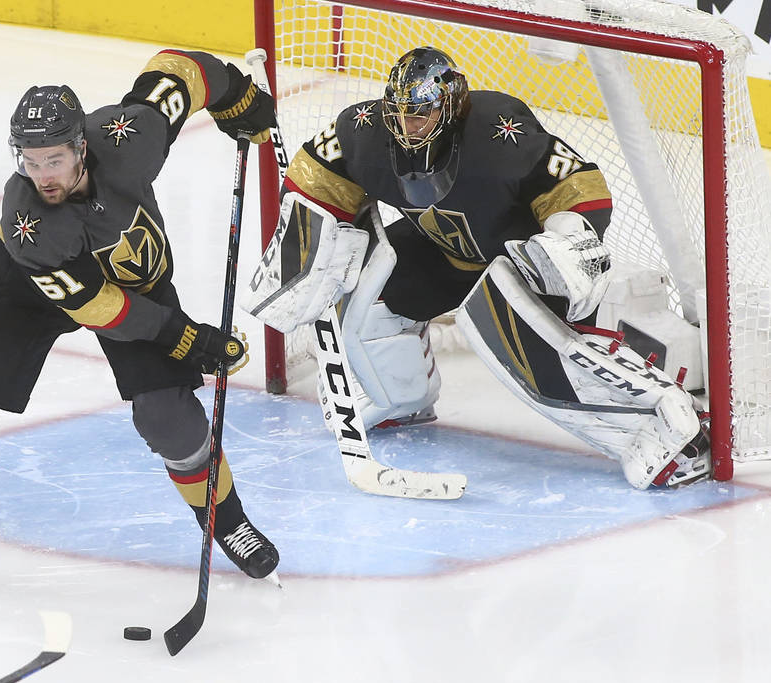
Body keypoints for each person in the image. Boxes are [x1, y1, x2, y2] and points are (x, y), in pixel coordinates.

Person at [0, 49, 280, 587]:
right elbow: (96, 307)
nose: (43, 175)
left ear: (82, 147)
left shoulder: (130, 137)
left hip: (134, 280)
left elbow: (178, 70)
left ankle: (228, 522)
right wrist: (181, 336)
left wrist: (236, 95)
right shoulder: (30, 220)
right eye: (30, 160)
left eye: (55, 159)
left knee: (169, 419)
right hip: (28, 290)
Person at [244, 47, 711, 490]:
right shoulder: (363, 131)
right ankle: (401, 398)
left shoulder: (500, 131)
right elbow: (315, 181)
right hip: (439, 253)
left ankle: (673, 432)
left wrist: (570, 240)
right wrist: (306, 245)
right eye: (400, 112)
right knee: (370, 302)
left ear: (449, 108)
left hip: (517, 265)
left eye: (421, 113)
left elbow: (576, 183)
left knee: (528, 359)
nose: (408, 125)